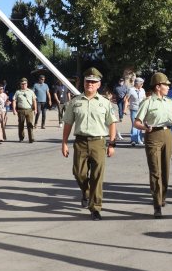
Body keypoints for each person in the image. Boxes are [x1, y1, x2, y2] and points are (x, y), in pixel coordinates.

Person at [62, 67, 117, 221]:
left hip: (99, 142)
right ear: (84, 83)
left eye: (93, 82)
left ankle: (95, 208)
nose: (90, 84)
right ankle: (86, 192)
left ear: (98, 84)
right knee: (78, 173)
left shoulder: (105, 103)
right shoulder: (75, 102)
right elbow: (68, 123)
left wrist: (112, 144)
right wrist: (64, 143)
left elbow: (112, 123)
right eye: (88, 81)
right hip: (80, 141)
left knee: (97, 176)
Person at [134, 72, 172, 218]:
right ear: (158, 87)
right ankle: (156, 205)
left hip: (168, 134)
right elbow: (137, 122)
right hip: (153, 135)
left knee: (165, 169)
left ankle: (162, 197)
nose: (168, 87)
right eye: (166, 85)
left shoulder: (169, 102)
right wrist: (145, 127)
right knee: (155, 170)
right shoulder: (148, 102)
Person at [12, 78, 38, 143]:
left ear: (27, 84)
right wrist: (14, 110)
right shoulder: (18, 92)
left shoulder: (31, 91)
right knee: (21, 124)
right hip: (21, 110)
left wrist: (35, 109)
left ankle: (31, 138)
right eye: (22, 84)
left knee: (30, 124)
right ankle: (21, 137)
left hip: (29, 110)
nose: (24, 85)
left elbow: (34, 100)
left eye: (25, 84)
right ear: (20, 84)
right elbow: (14, 101)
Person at [126, 77, 146, 146]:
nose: (142, 85)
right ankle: (133, 140)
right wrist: (125, 108)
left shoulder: (142, 90)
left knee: (140, 124)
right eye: (141, 83)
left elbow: (145, 99)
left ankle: (139, 139)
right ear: (137, 83)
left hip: (141, 110)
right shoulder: (131, 90)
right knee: (134, 124)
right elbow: (126, 99)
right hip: (134, 109)